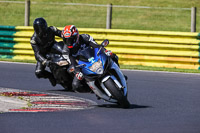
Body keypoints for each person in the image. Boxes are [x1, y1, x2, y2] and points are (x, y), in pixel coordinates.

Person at [61, 25, 121, 91]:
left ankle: (119, 74)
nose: (69, 42)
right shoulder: (65, 50)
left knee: (113, 56)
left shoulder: (85, 37)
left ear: (76, 36)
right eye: (66, 40)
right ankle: (93, 90)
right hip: (83, 64)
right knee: (75, 85)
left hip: (94, 57)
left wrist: (105, 51)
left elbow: (96, 46)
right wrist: (77, 72)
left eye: (71, 39)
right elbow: (72, 62)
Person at [30, 17, 63, 86]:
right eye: (39, 28)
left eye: (42, 27)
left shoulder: (51, 29)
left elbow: (62, 34)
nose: (41, 30)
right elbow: (37, 54)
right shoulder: (34, 40)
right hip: (43, 54)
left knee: (64, 51)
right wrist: (45, 61)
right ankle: (51, 76)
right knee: (38, 72)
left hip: (54, 47)